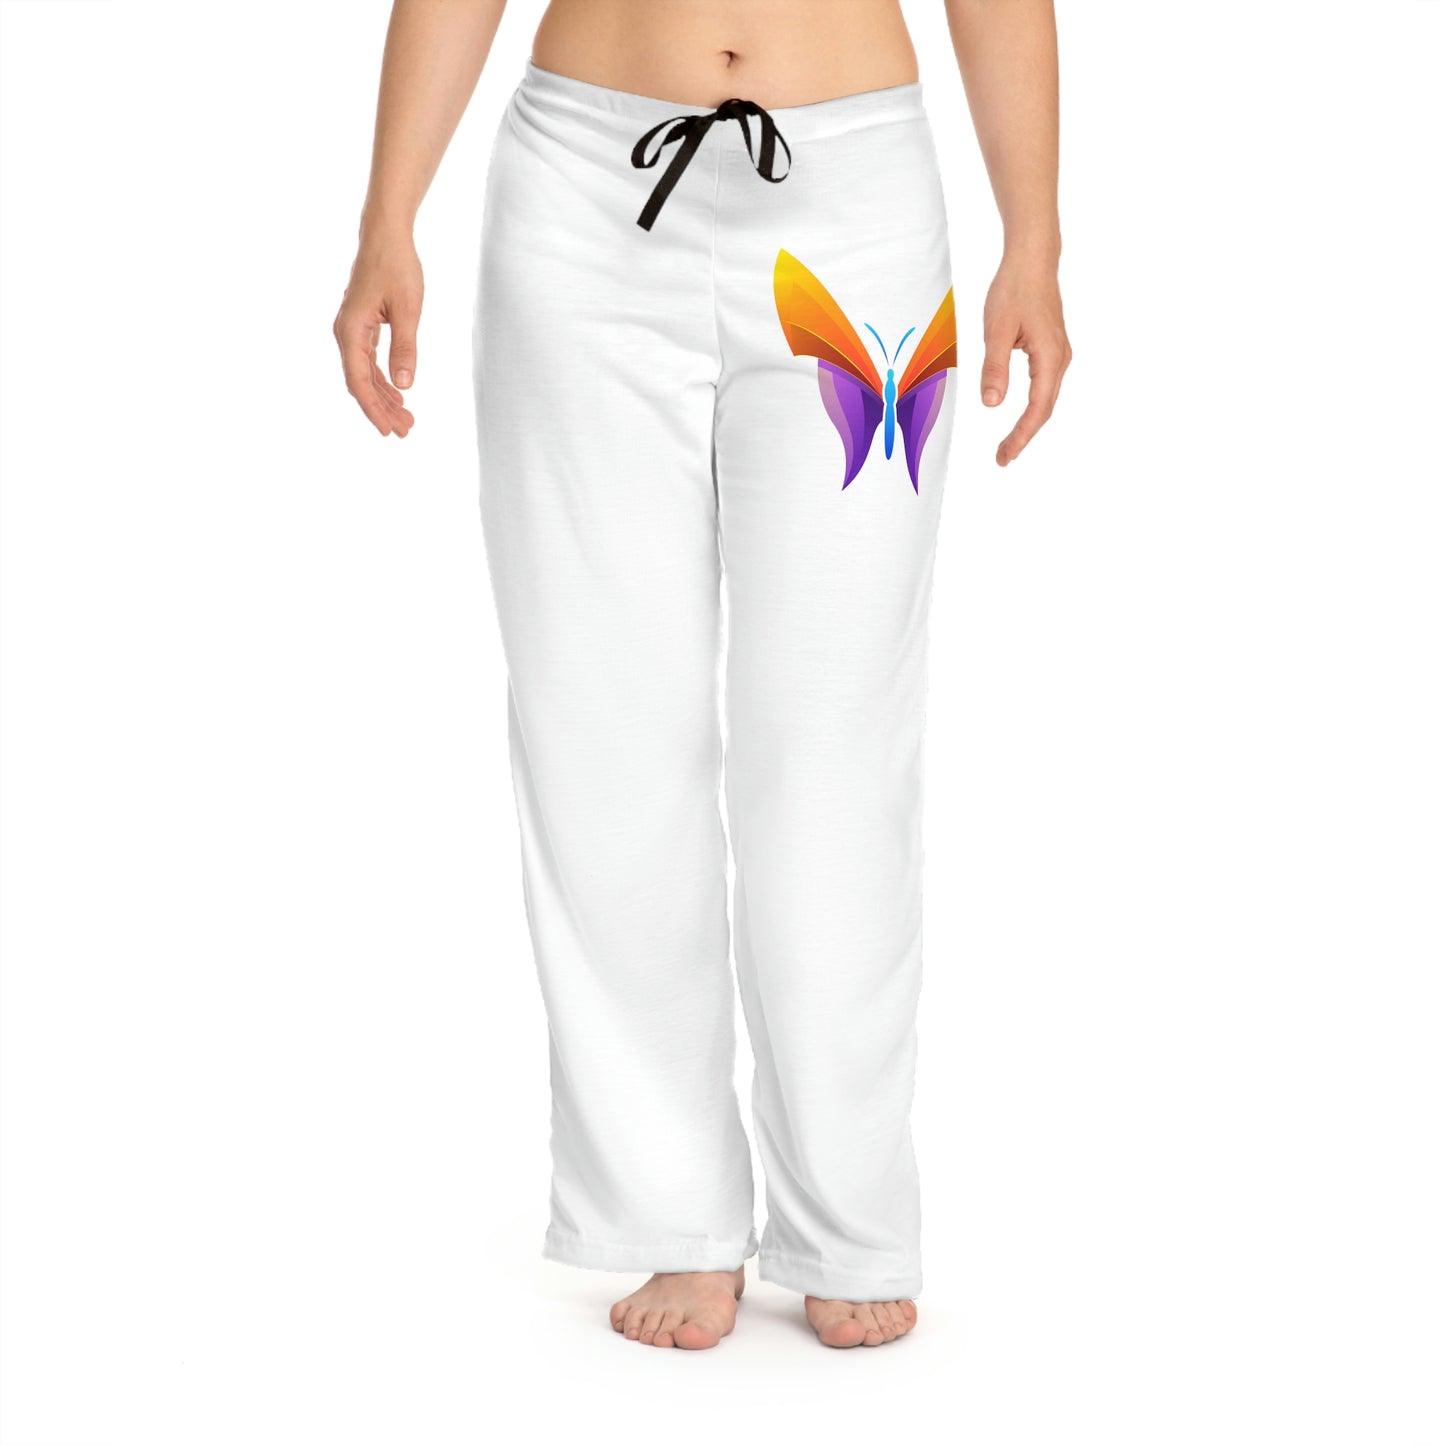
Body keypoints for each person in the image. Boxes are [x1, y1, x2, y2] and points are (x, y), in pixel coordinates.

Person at [333, 0, 1070, 1351]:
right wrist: (390, 212)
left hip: (854, 213)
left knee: (835, 743)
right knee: (601, 725)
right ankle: (663, 1207)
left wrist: (1035, 236)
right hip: (580, 204)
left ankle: (847, 1212)